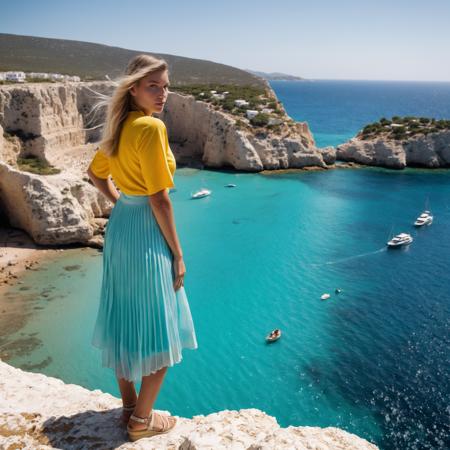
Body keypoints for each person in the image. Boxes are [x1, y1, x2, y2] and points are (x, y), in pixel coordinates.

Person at [87, 54, 198, 442]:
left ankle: (130, 406)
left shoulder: (120, 126)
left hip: (121, 229)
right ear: (133, 88)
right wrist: (179, 254)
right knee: (160, 326)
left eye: (166, 86)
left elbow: (96, 174)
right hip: (148, 230)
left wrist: (120, 201)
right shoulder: (151, 128)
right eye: (154, 85)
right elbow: (160, 199)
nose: (163, 93)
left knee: (123, 314)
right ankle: (142, 422)